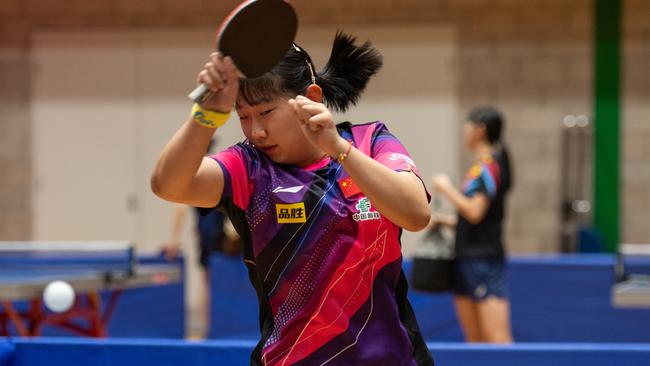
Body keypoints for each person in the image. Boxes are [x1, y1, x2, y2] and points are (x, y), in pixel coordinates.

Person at [151, 31, 434, 365]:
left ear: (311, 97)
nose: (256, 131)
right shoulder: (249, 167)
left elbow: (416, 214)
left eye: (266, 112)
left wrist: (338, 149)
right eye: (243, 116)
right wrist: (207, 113)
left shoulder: (370, 142)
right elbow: (168, 185)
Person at [430, 106, 514, 344]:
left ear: (479, 129)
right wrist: (447, 222)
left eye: (467, 126)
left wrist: (446, 188)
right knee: (475, 341)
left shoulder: (489, 167)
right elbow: (475, 219)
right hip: (466, 258)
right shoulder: (479, 167)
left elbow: (475, 212)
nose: (463, 131)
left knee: (497, 341)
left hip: (483, 261)